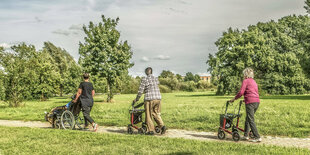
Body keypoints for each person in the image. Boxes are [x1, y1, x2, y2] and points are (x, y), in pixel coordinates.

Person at [230, 68, 261, 142]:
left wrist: (234, 99)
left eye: (243, 74)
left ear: (245, 75)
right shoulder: (254, 81)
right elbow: (253, 92)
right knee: (248, 118)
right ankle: (246, 135)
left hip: (250, 103)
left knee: (250, 120)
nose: (243, 76)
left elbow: (241, 92)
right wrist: (246, 99)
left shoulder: (245, 81)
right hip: (256, 102)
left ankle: (257, 137)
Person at [133, 67, 166, 135]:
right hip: (158, 98)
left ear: (146, 72)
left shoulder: (145, 79)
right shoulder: (156, 78)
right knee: (155, 113)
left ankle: (150, 130)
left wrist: (137, 99)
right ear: (151, 72)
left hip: (149, 99)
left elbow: (140, 91)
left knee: (148, 115)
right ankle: (162, 126)